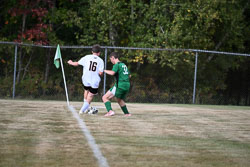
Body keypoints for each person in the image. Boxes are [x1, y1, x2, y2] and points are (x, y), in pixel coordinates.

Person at [68, 44, 104, 114]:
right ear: (99, 53)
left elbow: (77, 63)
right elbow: (100, 73)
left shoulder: (87, 57)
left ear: (92, 51)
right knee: (90, 95)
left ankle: (86, 108)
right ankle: (82, 110)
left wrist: (71, 62)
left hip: (86, 78)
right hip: (94, 80)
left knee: (86, 90)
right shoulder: (100, 61)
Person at [102, 52, 131, 117]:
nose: (111, 61)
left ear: (113, 58)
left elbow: (112, 73)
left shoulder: (117, 65)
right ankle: (127, 113)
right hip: (127, 85)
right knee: (119, 99)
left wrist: (104, 71)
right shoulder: (123, 64)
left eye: (111, 59)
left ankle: (110, 111)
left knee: (105, 97)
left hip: (120, 85)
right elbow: (129, 76)